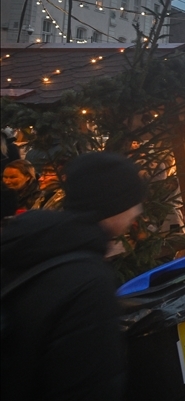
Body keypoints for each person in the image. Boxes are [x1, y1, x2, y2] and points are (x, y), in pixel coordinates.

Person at [1, 152, 147, 401]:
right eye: (133, 202)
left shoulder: (33, 244)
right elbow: (90, 384)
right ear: (114, 204)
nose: (138, 210)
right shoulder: (89, 278)